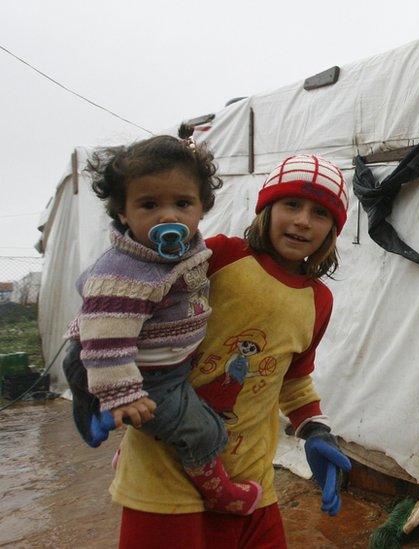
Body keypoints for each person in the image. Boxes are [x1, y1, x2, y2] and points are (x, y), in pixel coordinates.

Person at [109, 153, 352, 548]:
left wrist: (315, 430)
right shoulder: (221, 256)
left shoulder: (318, 300)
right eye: (292, 204)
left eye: (321, 213)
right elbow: (138, 306)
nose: (303, 221)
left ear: (332, 230)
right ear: (267, 209)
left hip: (250, 482)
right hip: (164, 474)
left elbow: (292, 377)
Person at [64, 135, 262, 515]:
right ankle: (220, 493)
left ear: (202, 207)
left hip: (156, 362)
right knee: (202, 430)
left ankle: (107, 421)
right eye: (149, 205)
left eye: (182, 203)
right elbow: (106, 344)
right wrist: (123, 393)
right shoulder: (124, 273)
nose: (168, 217)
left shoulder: (180, 253)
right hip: (146, 373)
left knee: (165, 419)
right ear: (122, 212)